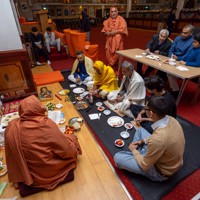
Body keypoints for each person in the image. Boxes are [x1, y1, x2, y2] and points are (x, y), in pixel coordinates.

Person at [5, 95, 82, 191]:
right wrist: (73, 142)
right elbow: (67, 151)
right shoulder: (46, 124)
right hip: (48, 172)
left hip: (28, 172)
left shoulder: (12, 126)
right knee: (71, 139)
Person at [114, 96, 185, 181]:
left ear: (151, 113)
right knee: (140, 131)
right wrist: (143, 141)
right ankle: (141, 153)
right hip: (163, 152)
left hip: (160, 171)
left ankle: (138, 155)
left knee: (118, 157)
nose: (144, 109)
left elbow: (145, 166)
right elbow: (159, 139)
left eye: (145, 108)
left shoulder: (159, 139)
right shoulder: (171, 119)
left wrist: (134, 151)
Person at [167, 24, 194, 97]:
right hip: (172, 58)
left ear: (191, 33)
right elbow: (171, 49)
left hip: (182, 61)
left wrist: (178, 59)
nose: (182, 34)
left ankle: (176, 91)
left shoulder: (193, 41)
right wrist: (171, 57)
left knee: (170, 74)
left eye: (185, 33)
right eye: (182, 32)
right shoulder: (177, 38)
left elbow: (188, 55)